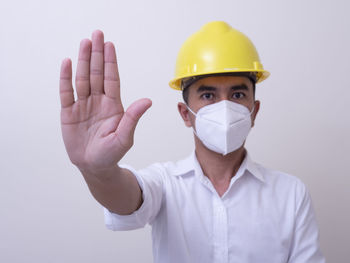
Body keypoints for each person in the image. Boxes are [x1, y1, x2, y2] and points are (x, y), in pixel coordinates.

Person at [59, 21, 325, 263]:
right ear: (186, 114)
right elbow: (126, 199)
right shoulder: (165, 183)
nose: (224, 107)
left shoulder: (291, 193)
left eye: (238, 94)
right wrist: (99, 170)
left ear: (253, 111)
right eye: (208, 95)